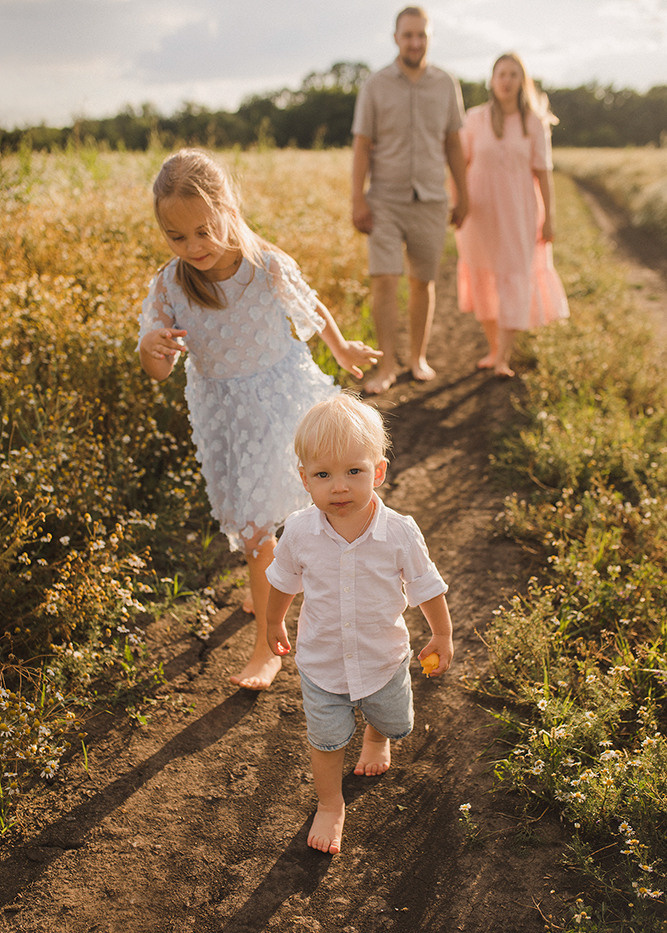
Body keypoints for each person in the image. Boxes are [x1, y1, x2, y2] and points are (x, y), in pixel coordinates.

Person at [138, 149, 382, 691]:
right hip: (226, 417)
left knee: (273, 519)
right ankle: (269, 582)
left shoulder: (266, 266)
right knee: (253, 523)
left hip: (283, 399)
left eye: (204, 231)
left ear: (228, 208)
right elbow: (159, 369)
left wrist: (341, 350)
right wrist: (152, 348)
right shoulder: (171, 285)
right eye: (177, 237)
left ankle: (266, 648)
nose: (193, 247)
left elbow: (311, 310)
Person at [265, 393, 454, 854]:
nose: (340, 487)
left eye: (354, 471)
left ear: (379, 472)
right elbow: (283, 580)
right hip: (322, 662)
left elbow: (426, 585)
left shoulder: (399, 532)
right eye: (323, 475)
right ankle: (330, 804)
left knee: (394, 720)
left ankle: (376, 736)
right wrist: (273, 622)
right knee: (326, 740)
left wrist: (442, 633)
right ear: (304, 478)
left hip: (382, 658)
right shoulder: (299, 531)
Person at [351, 5, 469, 395]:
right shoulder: (375, 84)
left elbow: (453, 143)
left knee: (423, 281)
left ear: (429, 38)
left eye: (421, 35)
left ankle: (417, 358)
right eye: (408, 35)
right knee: (385, 280)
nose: (415, 42)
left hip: (432, 199)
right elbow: (362, 145)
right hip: (384, 199)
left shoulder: (446, 83)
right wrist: (357, 200)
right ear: (396, 38)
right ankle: (386, 366)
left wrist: (463, 194)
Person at [455, 52, 569, 378]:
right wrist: (458, 202)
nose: (506, 80)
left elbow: (543, 173)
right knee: (483, 278)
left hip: (520, 213)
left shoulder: (534, 121)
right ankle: (493, 348)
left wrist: (550, 217)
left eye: (513, 75)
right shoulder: (474, 118)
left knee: (514, 276)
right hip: (479, 213)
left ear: (523, 81)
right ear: (492, 80)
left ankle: (503, 357)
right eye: (501, 74)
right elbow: (459, 164)